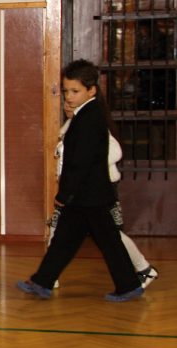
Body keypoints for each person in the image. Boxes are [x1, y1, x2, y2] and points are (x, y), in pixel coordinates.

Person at [17, 60, 145, 302]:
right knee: (66, 240)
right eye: (66, 91)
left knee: (107, 242)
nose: (69, 96)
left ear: (91, 90)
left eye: (75, 91)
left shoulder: (90, 117)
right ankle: (43, 281)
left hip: (90, 195)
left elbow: (80, 162)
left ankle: (129, 285)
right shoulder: (85, 114)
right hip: (86, 196)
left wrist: (65, 194)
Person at [47, 104, 158, 289]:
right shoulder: (70, 129)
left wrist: (87, 167)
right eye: (66, 96)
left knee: (111, 234)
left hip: (96, 189)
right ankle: (48, 278)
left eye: (74, 94)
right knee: (58, 228)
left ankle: (144, 269)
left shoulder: (92, 126)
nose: (68, 103)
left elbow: (115, 152)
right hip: (76, 190)